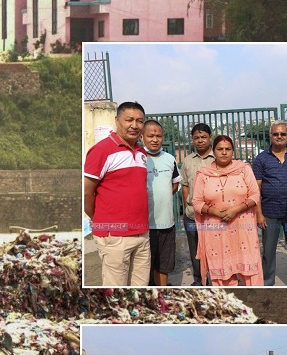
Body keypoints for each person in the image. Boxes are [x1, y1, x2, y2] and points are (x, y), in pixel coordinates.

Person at [84, 102, 150, 286]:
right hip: (114, 236)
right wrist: (98, 218)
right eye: (129, 120)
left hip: (142, 233)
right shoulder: (102, 150)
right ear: (117, 120)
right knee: (115, 291)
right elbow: (86, 193)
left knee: (140, 289)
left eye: (139, 121)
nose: (134, 125)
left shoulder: (141, 151)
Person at [190, 135, 263, 286]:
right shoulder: (204, 174)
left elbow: (255, 195)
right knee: (222, 276)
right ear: (214, 151)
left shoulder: (243, 169)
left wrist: (236, 210)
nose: (224, 152)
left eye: (228, 149)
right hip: (216, 231)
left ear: (233, 151)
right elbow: (196, 202)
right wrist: (216, 212)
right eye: (220, 149)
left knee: (251, 273)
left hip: (243, 230)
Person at [251, 122, 287, 286]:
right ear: (270, 136)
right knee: (268, 251)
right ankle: (268, 283)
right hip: (269, 213)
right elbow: (256, 188)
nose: (279, 136)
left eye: (282, 134)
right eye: (276, 134)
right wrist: (259, 214)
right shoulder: (261, 159)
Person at [142, 120, 182, 286]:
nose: (155, 139)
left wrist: (163, 195)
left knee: (163, 264)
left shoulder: (170, 159)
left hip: (166, 223)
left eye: (158, 136)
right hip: (144, 225)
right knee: (144, 266)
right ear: (142, 137)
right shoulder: (138, 158)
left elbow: (175, 183)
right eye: (150, 136)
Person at [178, 124, 216, 286]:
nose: (200, 141)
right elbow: (185, 185)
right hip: (192, 216)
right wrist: (188, 206)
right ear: (192, 140)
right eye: (196, 138)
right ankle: (199, 281)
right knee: (195, 251)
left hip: (214, 216)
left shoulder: (218, 158)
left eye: (203, 137)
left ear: (210, 138)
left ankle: (216, 280)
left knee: (215, 250)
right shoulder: (187, 161)